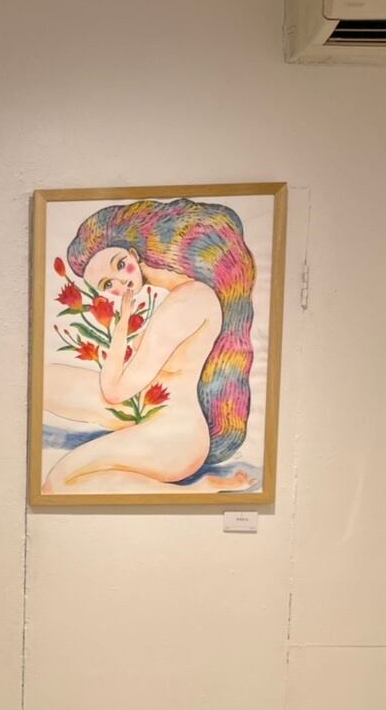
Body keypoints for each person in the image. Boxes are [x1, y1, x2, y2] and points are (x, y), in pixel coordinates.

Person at [42, 198, 258, 494]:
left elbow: (115, 391)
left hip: (175, 435)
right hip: (149, 406)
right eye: (107, 285)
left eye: (120, 265)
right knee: (45, 380)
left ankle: (196, 491)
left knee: (58, 482)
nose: (120, 282)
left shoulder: (188, 301)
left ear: (134, 253)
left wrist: (121, 326)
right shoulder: (180, 294)